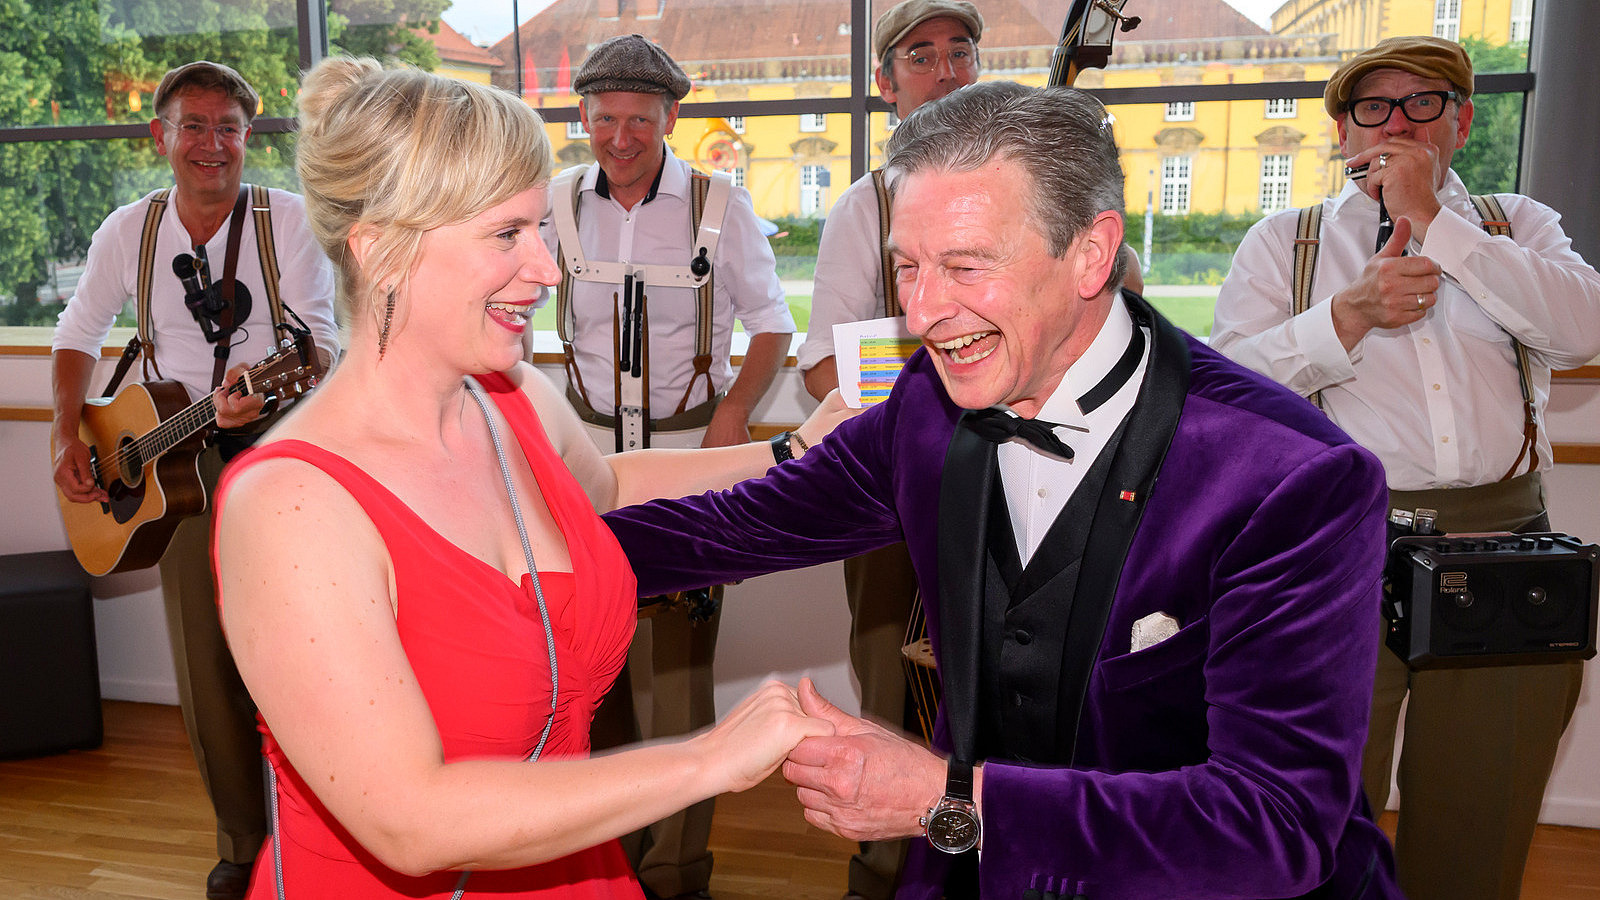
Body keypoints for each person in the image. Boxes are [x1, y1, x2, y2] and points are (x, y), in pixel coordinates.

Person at [605, 81, 1402, 899]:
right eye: (907, 268)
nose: (923, 311)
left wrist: (945, 798)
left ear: (1092, 253)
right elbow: (732, 530)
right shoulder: (926, 403)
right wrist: (506, 561)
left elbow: (1271, 823)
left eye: (964, 266)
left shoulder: (1293, 478)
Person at [211, 57, 844, 900]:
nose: (547, 270)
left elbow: (609, 489)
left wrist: (791, 449)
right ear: (382, 252)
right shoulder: (289, 508)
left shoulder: (509, 397)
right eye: (508, 235)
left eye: (539, 230)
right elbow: (412, 820)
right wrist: (708, 757)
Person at [1210, 36, 1600, 900]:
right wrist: (1341, 320)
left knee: (1482, 811)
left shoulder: (1518, 225)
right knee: (1316, 812)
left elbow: (1584, 332)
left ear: (1459, 121)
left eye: (1423, 103)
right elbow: (1225, 394)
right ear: (1343, 131)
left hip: (1501, 546)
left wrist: (1443, 229)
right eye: (1373, 107)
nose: (1398, 122)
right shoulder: (1287, 243)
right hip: (1331, 551)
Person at [50, 60, 341, 900]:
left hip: (278, 446)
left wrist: (265, 389)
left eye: (229, 129)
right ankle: (242, 846)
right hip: (167, 465)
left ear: (251, 138)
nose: (212, 145)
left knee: (298, 651)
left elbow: (318, 345)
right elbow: (77, 336)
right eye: (194, 126)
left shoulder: (288, 223)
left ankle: (319, 834)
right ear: (161, 137)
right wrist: (68, 435)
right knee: (206, 666)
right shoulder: (127, 231)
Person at [536, 34, 797, 900]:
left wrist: (730, 417)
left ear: (670, 119)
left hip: (689, 449)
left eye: (639, 120)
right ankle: (604, 856)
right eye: (605, 118)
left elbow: (772, 325)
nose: (620, 137)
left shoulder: (721, 205)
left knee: (677, 665)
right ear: (583, 118)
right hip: (584, 453)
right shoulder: (556, 203)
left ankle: (677, 870)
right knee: (588, 662)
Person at [793, 4, 981, 897]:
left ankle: (1000, 854)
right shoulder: (862, 209)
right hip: (895, 490)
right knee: (890, 680)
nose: (944, 70)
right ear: (887, 84)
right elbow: (824, 360)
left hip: (1022, 484)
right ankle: (887, 872)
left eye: (960, 52)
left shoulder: (1032, 185)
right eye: (921, 56)